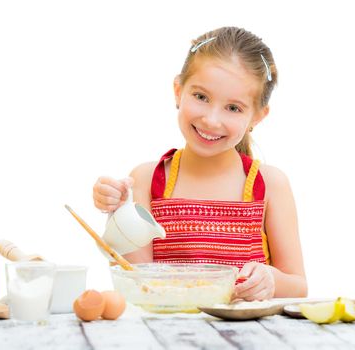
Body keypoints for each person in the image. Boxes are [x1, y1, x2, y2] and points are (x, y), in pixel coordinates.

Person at [93, 26, 307, 301]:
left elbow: (298, 285)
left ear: (257, 117)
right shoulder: (147, 180)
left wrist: (271, 280)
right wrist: (119, 213)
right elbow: (137, 281)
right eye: (201, 97)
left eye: (233, 108)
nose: (211, 120)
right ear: (178, 90)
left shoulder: (270, 185)